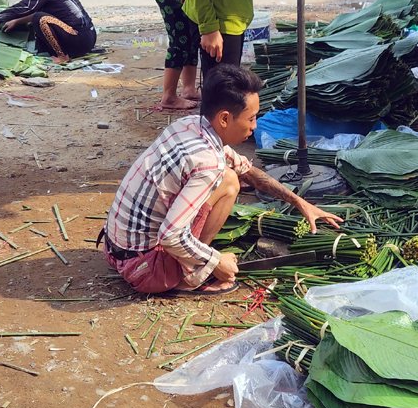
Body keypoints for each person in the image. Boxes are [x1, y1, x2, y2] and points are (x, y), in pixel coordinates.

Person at [102, 65, 343, 295]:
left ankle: (188, 263)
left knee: (231, 174)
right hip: (145, 270)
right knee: (228, 182)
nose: (255, 127)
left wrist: (299, 202)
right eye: (251, 119)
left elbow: (247, 170)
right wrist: (216, 261)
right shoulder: (208, 162)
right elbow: (170, 236)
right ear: (225, 118)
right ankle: (190, 277)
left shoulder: (188, 126)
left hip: (116, 250)